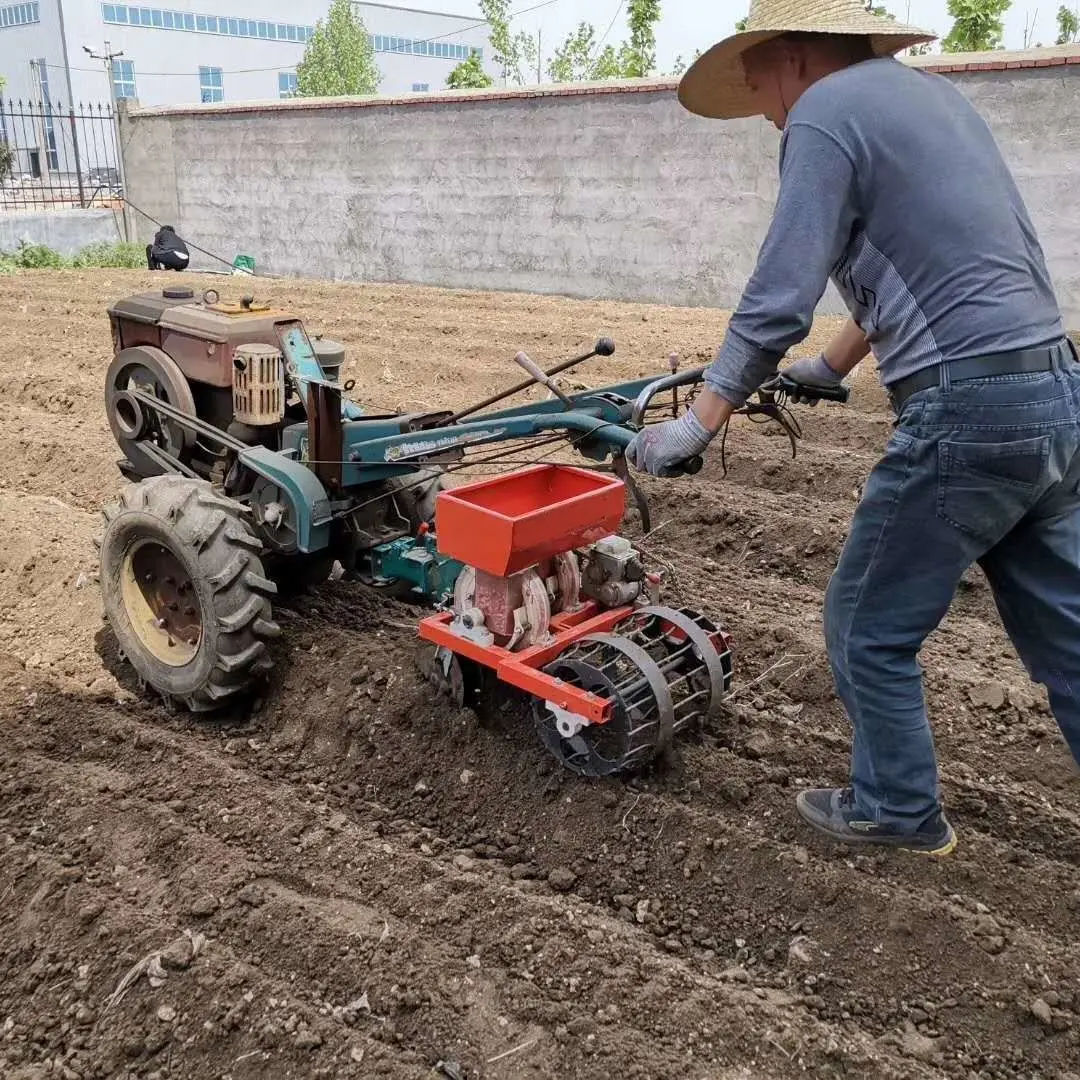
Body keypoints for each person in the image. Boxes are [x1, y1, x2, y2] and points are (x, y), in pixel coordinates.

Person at [626, 0, 1079, 856]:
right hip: (1054, 395)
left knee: (864, 624)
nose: (763, 109)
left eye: (756, 81)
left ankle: (898, 808)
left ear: (794, 55)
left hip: (969, 413)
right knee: (1070, 637)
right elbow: (928, 265)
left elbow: (778, 294)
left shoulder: (824, 113)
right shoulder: (930, 101)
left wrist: (697, 422)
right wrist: (831, 368)